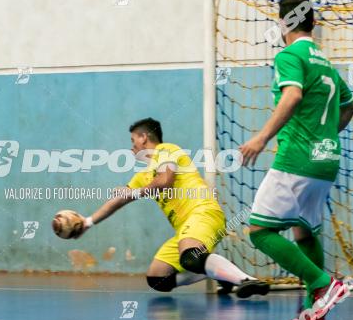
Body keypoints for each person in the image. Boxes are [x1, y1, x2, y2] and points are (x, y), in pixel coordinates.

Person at [237, 0, 353, 320]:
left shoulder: (289, 55)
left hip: (297, 159)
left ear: (282, 24)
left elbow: (292, 95)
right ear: (313, 23)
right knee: (303, 232)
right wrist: (326, 134)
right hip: (326, 160)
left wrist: (261, 138)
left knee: (259, 231)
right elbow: (350, 106)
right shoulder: (326, 63)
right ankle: (314, 311)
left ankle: (324, 284)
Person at [73, 117, 267, 296]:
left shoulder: (167, 150)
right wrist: (87, 222)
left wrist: (135, 192)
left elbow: (165, 180)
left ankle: (246, 280)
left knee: (191, 258)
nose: (132, 147)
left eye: (133, 141)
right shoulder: (143, 176)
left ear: (143, 137)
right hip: (185, 230)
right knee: (158, 279)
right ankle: (219, 271)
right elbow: (119, 200)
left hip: (203, 214)